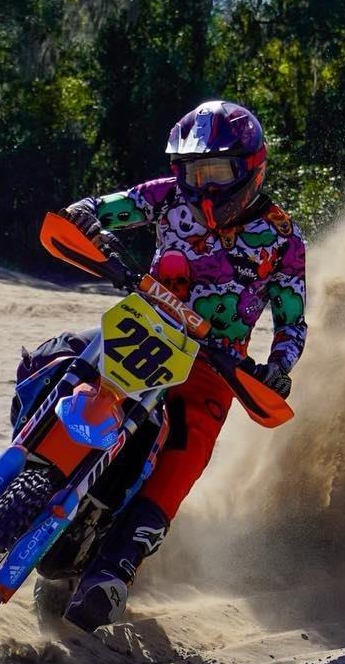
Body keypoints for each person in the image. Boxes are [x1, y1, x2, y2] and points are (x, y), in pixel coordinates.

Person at [60, 100, 307, 632]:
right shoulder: (165, 195)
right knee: (56, 356)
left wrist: (278, 367)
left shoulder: (283, 238)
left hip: (214, 366)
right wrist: (85, 212)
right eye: (194, 171)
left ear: (251, 167)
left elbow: (292, 323)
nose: (204, 185)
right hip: (143, 329)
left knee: (189, 448)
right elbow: (105, 208)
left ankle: (114, 572)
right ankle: (29, 469)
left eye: (216, 171)